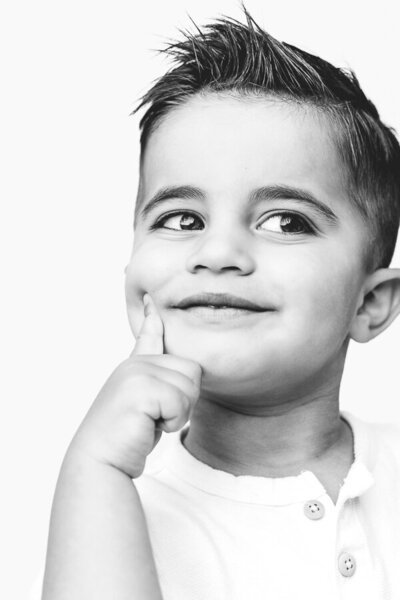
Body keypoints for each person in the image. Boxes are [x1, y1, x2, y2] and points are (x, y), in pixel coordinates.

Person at [39, 6, 400, 600]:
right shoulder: (102, 529)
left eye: (285, 221)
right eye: (182, 218)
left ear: (371, 304)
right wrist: (94, 474)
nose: (219, 251)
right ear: (136, 281)